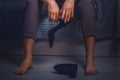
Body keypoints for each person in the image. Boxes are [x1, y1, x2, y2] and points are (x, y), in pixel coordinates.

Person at [14, 0, 98, 75]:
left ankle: (90, 60)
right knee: (32, 2)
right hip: (48, 3)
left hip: (75, 3)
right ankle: (27, 59)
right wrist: (50, 2)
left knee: (87, 3)